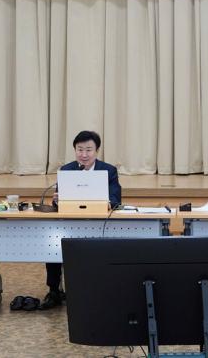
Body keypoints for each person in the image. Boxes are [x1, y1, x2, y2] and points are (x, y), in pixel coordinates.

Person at [41, 130, 122, 309]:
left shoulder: (108, 170)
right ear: (75, 150)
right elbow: (57, 204)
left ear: (97, 151)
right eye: (80, 150)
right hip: (70, 223)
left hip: (98, 224)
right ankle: (54, 290)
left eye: (88, 150)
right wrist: (57, 200)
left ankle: (99, 289)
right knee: (53, 244)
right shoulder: (67, 170)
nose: (84, 154)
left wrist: (107, 203)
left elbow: (116, 198)